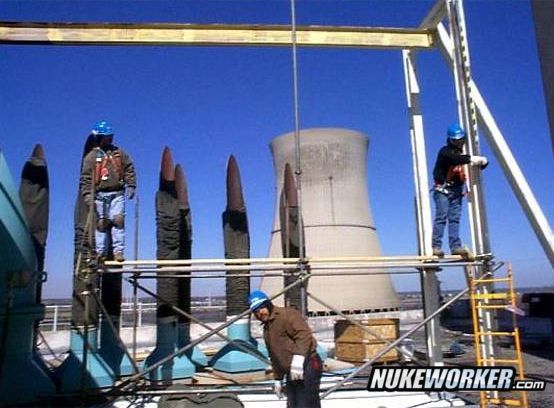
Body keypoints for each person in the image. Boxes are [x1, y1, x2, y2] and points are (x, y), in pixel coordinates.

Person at [249, 290, 322, 408]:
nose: (260, 313)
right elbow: (275, 356)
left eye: (261, 308)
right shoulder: (267, 329)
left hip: (308, 365)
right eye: (256, 312)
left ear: (268, 305)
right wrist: (278, 378)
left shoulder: (287, 315)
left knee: (306, 403)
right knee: (293, 404)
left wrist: (299, 358)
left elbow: (303, 335)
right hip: (291, 371)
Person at [80, 120, 136, 262]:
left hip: (117, 193)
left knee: (118, 220)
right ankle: (100, 253)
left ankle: (118, 251)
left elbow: (129, 168)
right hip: (99, 195)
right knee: (101, 224)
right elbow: (86, 177)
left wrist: (131, 185)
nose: (110, 139)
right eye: (107, 136)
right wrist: (87, 194)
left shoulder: (119, 154)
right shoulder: (91, 157)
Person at [431, 123, 488, 258]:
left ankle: (455, 246)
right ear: (450, 140)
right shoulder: (445, 152)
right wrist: (473, 159)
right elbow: (454, 158)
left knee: (455, 219)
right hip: (443, 191)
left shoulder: (459, 155)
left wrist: (482, 163)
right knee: (442, 217)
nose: (459, 143)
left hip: (456, 191)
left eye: (461, 140)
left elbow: (460, 160)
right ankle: (436, 246)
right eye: (456, 141)